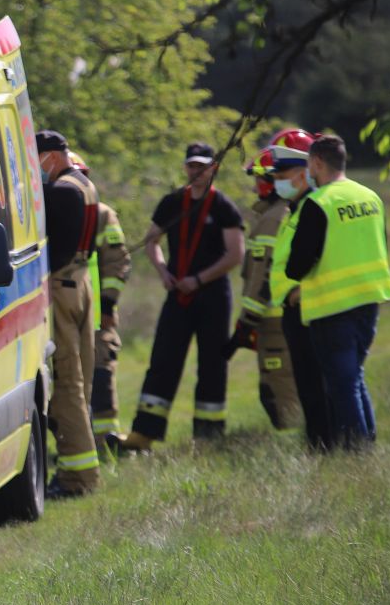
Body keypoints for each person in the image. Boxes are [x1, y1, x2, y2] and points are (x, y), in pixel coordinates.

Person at [119, 143, 245, 452]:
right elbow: (152, 241)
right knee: (163, 360)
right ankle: (143, 434)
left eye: (203, 166)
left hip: (213, 295)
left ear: (214, 168)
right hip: (177, 295)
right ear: (185, 167)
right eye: (191, 165)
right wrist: (163, 271)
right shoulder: (172, 202)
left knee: (212, 364)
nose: (197, 171)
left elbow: (235, 254)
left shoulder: (224, 207)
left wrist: (200, 279)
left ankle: (209, 436)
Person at [281, 134, 390, 448]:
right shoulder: (371, 197)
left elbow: (297, 266)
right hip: (369, 300)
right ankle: (367, 444)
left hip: (333, 306)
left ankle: (357, 452)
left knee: (341, 386)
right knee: (354, 378)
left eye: (309, 165)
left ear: (317, 162)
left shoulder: (319, 203)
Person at [36, 131, 101, 496]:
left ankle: (78, 477)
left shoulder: (62, 190)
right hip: (81, 283)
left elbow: (56, 249)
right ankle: (80, 471)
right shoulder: (85, 185)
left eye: (39, 159)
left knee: (66, 384)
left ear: (52, 157)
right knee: (80, 380)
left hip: (62, 288)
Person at [267, 129, 334, 451]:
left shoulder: (314, 206)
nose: (277, 180)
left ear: (306, 171)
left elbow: (327, 257)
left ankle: (326, 446)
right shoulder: (294, 208)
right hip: (293, 310)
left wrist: (302, 292)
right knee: (306, 384)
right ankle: (317, 444)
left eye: (283, 173)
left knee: (317, 384)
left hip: (310, 308)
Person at [227, 148, 301, 430]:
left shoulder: (273, 218)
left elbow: (263, 275)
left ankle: (297, 444)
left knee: (280, 385)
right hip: (277, 319)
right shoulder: (278, 213)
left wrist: (247, 322)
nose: (256, 185)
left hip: (274, 322)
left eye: (261, 178)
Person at [68, 151, 132, 456]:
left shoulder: (103, 215)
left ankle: (107, 443)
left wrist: (108, 306)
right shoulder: (49, 212)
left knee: (101, 376)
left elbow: (118, 262)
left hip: (97, 316)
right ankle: (76, 443)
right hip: (65, 314)